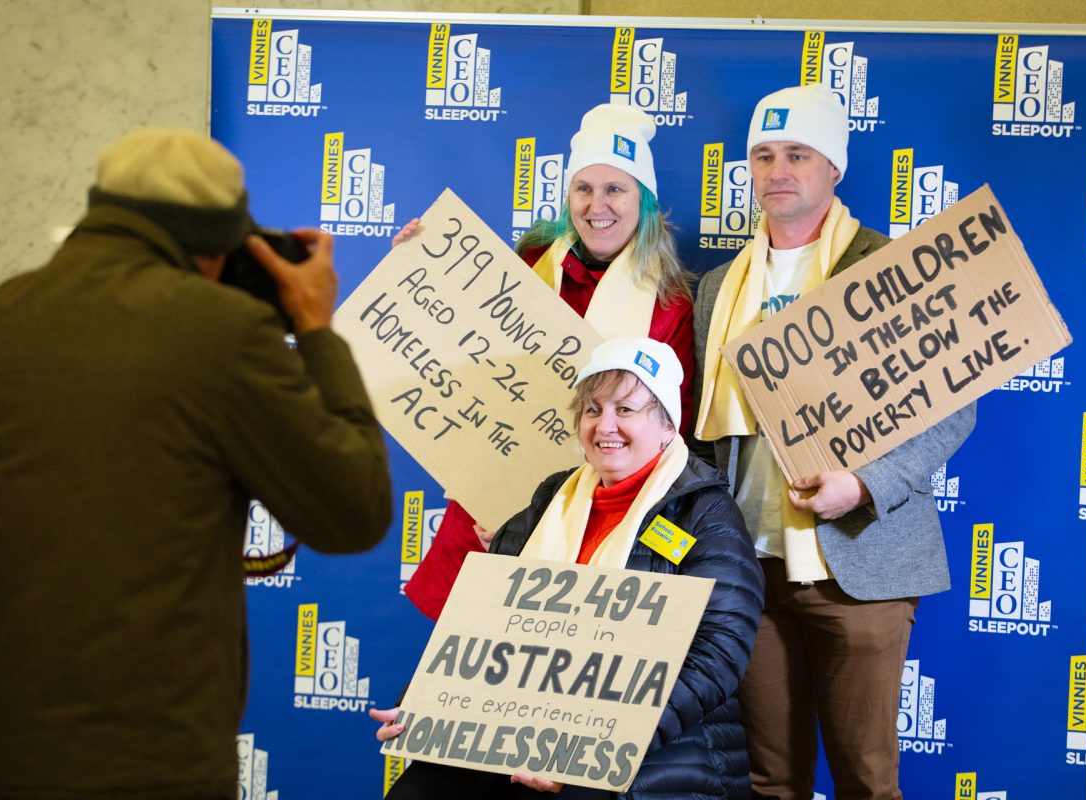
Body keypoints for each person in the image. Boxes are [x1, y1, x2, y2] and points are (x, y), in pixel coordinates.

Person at [0, 128, 392, 799]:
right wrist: (316, 330)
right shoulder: (221, 332)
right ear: (214, 244)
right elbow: (354, 513)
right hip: (144, 758)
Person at [692, 84, 976, 800]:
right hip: (751, 567)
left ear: (834, 168)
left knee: (867, 781)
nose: (776, 169)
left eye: (797, 153)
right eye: (762, 155)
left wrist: (865, 484)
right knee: (771, 780)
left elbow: (952, 411)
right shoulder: (718, 286)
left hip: (861, 559)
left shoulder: (893, 267)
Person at [373, 337, 763, 799]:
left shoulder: (706, 514)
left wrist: (596, 746)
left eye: (626, 409)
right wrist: (423, 703)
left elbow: (716, 655)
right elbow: (476, 627)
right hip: (519, 730)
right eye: (593, 410)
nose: (606, 426)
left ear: (666, 425)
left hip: (661, 747)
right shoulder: (547, 503)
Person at [400, 103, 696, 621]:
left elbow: (671, 428)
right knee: (468, 645)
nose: (596, 205)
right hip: (490, 489)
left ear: (643, 201)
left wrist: (536, 515)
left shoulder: (669, 304)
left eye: (615, 189)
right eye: (583, 188)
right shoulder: (531, 261)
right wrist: (414, 261)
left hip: (594, 515)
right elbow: (456, 342)